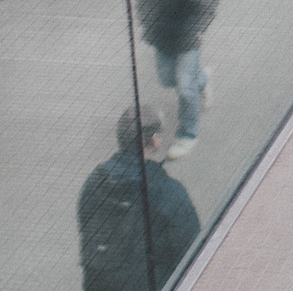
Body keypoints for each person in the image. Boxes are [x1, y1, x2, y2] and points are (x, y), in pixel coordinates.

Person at [77, 105, 201, 291]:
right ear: (154, 141)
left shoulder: (95, 181)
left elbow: (85, 223)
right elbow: (192, 250)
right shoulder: (168, 191)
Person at [133, 0, 215, 160]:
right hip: (163, 34)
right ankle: (203, 79)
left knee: (184, 88)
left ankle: (188, 134)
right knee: (168, 79)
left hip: (187, 35)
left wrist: (199, 28)